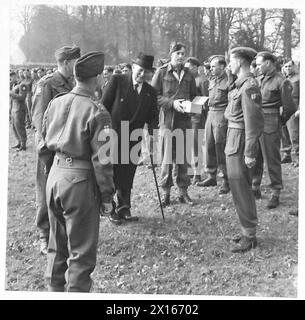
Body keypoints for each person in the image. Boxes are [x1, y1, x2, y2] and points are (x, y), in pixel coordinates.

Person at [38, 51, 114, 292]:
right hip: (80, 183)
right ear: (98, 78)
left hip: (54, 177)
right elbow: (103, 161)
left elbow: (42, 146)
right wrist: (107, 197)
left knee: (56, 247)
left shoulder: (56, 102)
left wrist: (53, 175)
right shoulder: (97, 111)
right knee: (81, 254)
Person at [32, 45, 81, 255]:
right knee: (45, 192)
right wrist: (47, 150)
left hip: (67, 147)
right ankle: (44, 235)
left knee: (64, 191)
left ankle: (61, 231)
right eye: (76, 62)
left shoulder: (72, 84)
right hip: (49, 149)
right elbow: (38, 118)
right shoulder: (47, 84)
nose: (77, 66)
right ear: (67, 62)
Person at [102, 53, 158, 224]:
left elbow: (152, 116)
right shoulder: (117, 81)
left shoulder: (150, 91)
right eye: (140, 70)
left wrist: (153, 134)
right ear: (133, 67)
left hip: (134, 138)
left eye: (146, 72)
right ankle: (109, 208)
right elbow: (103, 106)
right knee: (111, 173)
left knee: (127, 173)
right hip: (113, 135)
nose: (142, 75)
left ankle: (124, 207)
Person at [225, 47, 264, 253]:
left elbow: (254, 123)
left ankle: (250, 235)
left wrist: (250, 152)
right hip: (234, 139)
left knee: (242, 188)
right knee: (237, 187)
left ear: (240, 62)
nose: (229, 65)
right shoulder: (239, 84)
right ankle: (245, 229)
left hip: (240, 142)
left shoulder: (249, 86)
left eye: (231, 61)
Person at [151, 41, 197, 207]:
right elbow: (154, 96)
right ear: (171, 55)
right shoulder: (162, 73)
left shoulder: (189, 74)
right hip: (167, 122)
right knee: (166, 158)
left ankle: (183, 192)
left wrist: (194, 105)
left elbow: (194, 96)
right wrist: (172, 103)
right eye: (178, 53)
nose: (181, 57)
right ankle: (166, 193)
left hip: (184, 122)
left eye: (183, 54)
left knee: (183, 158)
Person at [252, 51, 295, 209]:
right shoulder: (258, 80)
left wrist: (279, 121)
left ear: (268, 63)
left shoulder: (281, 82)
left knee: (272, 159)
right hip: (256, 121)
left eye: (259, 64)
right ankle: (255, 187)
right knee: (254, 156)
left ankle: (275, 193)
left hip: (271, 121)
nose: (257, 67)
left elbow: (290, 107)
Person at [197, 55, 229, 194]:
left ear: (222, 67)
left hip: (222, 114)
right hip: (211, 113)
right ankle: (211, 175)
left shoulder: (229, 81)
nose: (211, 68)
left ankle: (226, 179)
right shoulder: (212, 80)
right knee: (208, 144)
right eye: (210, 66)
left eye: (214, 66)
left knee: (220, 146)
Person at [184, 57, 209, 184]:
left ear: (195, 67)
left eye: (188, 68)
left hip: (197, 117)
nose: (186, 69)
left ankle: (197, 174)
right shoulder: (188, 80)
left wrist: (191, 106)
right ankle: (189, 172)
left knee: (196, 145)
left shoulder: (202, 80)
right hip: (188, 116)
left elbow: (206, 101)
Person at [280, 60, 299, 165]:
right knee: (284, 134)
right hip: (284, 109)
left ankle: (298, 157)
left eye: (290, 66)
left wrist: (300, 108)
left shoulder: (299, 79)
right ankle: (287, 155)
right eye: (286, 66)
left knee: (294, 134)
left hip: (294, 109)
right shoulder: (284, 79)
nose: (288, 68)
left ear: (294, 67)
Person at [9, 71, 27, 151]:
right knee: (14, 126)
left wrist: (11, 94)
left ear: (16, 76)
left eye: (12, 77)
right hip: (14, 108)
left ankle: (23, 144)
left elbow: (22, 97)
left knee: (20, 126)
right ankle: (19, 142)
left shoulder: (22, 85)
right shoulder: (14, 85)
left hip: (20, 109)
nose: (10, 79)